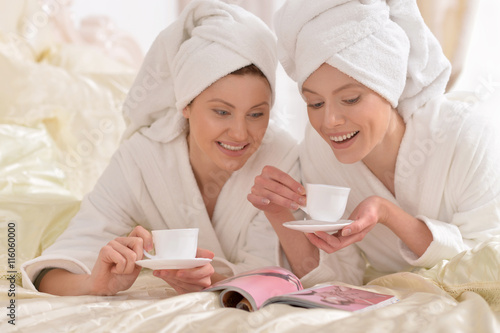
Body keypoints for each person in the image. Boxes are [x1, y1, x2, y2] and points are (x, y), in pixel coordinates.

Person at [21, 0, 300, 296]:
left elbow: (282, 272)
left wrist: (213, 280)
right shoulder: (142, 159)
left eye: (256, 114)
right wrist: (97, 283)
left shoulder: (281, 157)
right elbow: (52, 272)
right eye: (221, 112)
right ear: (186, 105)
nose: (241, 132)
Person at [248, 0, 500, 285]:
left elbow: (487, 266)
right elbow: (338, 279)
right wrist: (278, 212)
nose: (329, 121)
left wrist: (388, 214)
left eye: (351, 99)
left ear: (389, 86)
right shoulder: (320, 152)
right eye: (315, 103)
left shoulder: (468, 136)